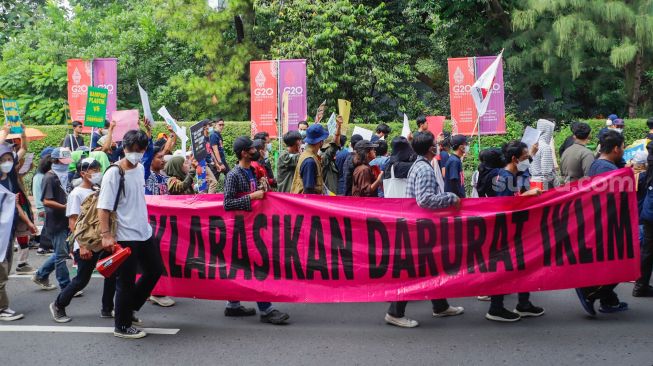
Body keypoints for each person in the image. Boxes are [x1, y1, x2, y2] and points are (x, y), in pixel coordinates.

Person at [384, 132, 463, 328]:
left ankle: (440, 305)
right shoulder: (425, 169)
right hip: (420, 227)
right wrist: (451, 198)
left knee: (432, 266)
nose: (438, 146)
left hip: (419, 226)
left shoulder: (419, 166)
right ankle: (395, 312)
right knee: (414, 271)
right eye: (435, 144)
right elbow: (425, 199)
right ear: (430, 148)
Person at [98, 129, 164, 339]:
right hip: (124, 235)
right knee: (125, 281)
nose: (134, 153)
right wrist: (106, 234)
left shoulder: (140, 167)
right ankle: (122, 326)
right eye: (130, 149)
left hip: (143, 232)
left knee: (154, 270)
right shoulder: (114, 173)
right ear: (124, 148)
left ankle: (129, 308)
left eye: (139, 150)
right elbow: (103, 207)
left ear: (144, 150)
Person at [222, 136, 290, 324]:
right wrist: (252, 197)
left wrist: (262, 188)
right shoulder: (233, 175)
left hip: (253, 227)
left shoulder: (252, 171)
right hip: (241, 230)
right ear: (244, 153)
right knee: (256, 267)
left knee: (239, 268)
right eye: (252, 149)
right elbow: (227, 203)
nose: (257, 151)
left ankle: (233, 305)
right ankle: (266, 310)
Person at [49, 158, 119, 323]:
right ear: (83, 173)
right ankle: (58, 304)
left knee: (111, 273)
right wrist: (81, 246)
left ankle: (107, 308)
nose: (97, 173)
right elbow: (73, 222)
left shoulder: (98, 190)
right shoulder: (76, 194)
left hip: (101, 242)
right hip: (85, 244)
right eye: (93, 170)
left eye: (98, 169)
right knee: (81, 280)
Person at [486, 141, 545, 322]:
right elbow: (505, 204)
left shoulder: (511, 174)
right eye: (525, 157)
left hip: (515, 229)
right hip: (507, 231)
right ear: (514, 159)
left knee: (522, 266)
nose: (527, 159)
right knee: (505, 269)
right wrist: (527, 195)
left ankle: (523, 304)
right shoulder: (505, 177)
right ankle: (496, 308)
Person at [575, 130, 629, 315]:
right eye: (622, 147)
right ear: (616, 149)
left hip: (601, 223)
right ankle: (590, 292)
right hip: (610, 224)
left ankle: (609, 300)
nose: (624, 150)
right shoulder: (609, 171)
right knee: (622, 265)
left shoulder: (598, 164)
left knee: (609, 263)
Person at [32, 147, 73, 291]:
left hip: (65, 220)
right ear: (55, 161)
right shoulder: (49, 177)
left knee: (60, 252)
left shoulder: (63, 175)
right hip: (56, 221)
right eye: (63, 162)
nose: (66, 165)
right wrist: (64, 206)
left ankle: (41, 274)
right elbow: (46, 201)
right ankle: (66, 286)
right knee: (61, 255)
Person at [0, 142, 28, 321]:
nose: (8, 162)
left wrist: (27, 222)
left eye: (10, 159)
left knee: (5, 269)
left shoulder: (10, 179)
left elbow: (14, 204)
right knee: (1, 272)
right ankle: (2, 308)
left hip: (7, 232)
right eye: (3, 159)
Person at [634, 141, 653, 297]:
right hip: (647, 213)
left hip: (646, 214)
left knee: (646, 249)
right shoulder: (645, 175)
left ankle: (640, 284)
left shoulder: (647, 174)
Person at [291, 124, 330, 194]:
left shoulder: (307, 154)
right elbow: (308, 189)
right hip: (306, 202)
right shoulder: (310, 161)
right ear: (320, 141)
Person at [33, 147, 54, 255]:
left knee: (48, 226)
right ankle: (43, 247)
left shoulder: (45, 175)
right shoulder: (39, 177)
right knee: (47, 227)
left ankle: (45, 246)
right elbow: (37, 194)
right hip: (44, 207)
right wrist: (40, 208)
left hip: (47, 207)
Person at [529, 119, 556, 190]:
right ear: (548, 131)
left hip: (532, 180)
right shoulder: (545, 147)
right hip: (543, 183)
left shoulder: (532, 145)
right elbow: (546, 172)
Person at [320, 116, 343, 194]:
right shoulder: (324, 157)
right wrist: (339, 127)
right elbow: (335, 144)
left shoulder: (328, 158)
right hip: (327, 196)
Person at [209, 118, 229, 187]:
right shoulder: (213, 135)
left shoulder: (218, 135)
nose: (221, 126)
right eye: (220, 125)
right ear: (215, 125)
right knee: (213, 182)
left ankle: (227, 191)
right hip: (216, 163)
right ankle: (207, 196)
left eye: (223, 125)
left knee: (229, 175)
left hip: (222, 161)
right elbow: (215, 150)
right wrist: (220, 163)